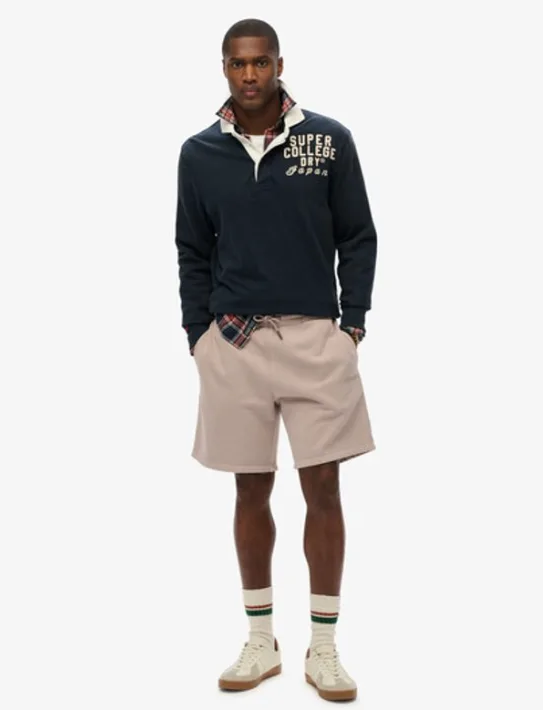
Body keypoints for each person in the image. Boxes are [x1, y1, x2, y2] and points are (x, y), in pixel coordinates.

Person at [175, 17, 378, 702]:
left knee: (324, 488)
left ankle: (324, 647)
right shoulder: (200, 153)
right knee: (249, 489)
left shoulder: (328, 140)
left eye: (260, 62)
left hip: (316, 341)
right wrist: (197, 335)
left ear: (279, 65)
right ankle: (261, 640)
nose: (250, 75)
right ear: (224, 69)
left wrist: (352, 325)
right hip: (233, 343)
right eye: (238, 64)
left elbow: (358, 234)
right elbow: (192, 247)